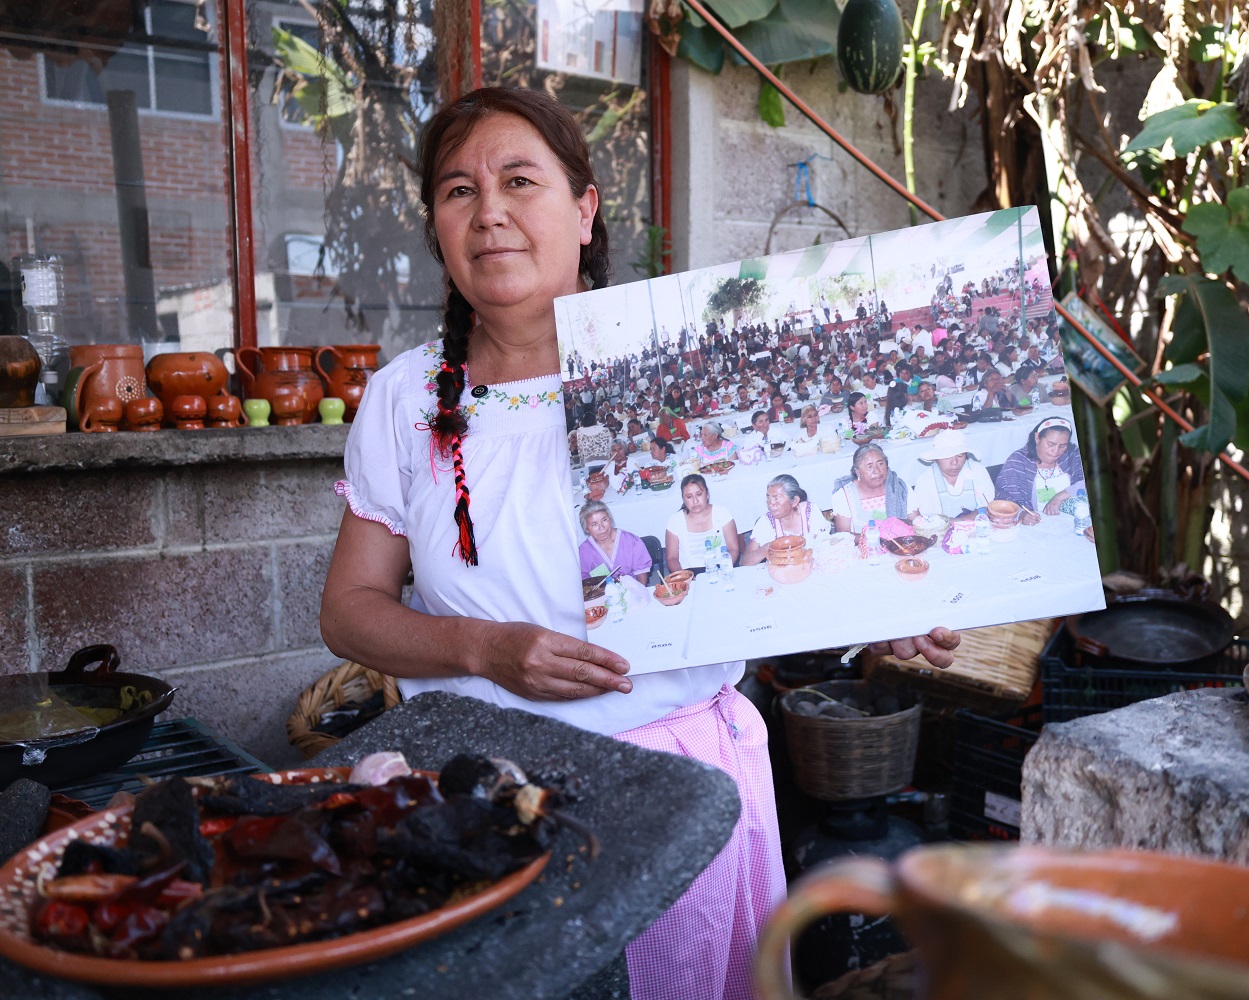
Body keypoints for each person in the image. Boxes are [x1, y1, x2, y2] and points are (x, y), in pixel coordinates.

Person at [320, 87, 957, 1000]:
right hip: (477, 797)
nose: (489, 211)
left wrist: (873, 610)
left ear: (583, 211)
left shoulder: (673, 367)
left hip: (673, 796)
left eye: (518, 180)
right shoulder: (405, 398)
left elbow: (753, 557)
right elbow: (348, 610)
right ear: (436, 225)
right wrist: (485, 650)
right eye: (458, 191)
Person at [994, 416, 1088, 525]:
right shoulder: (1018, 462)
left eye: (1062, 446)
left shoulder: (1071, 455)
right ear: (1037, 437)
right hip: (1037, 524)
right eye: (1050, 444)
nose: (1055, 451)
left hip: (1073, 521)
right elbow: (1004, 498)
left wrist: (1061, 496)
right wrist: (1022, 514)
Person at [740, 474, 830, 565]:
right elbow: (744, 563)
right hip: (781, 573)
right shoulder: (766, 522)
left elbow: (825, 546)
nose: (770, 503)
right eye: (768, 497)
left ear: (794, 501)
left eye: (776, 498)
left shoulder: (810, 512)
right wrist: (767, 547)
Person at [665, 473, 741, 573]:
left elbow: (733, 549)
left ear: (707, 494)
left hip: (721, 568)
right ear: (683, 498)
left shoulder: (722, 514)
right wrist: (686, 577)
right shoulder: (675, 521)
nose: (695, 501)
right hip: (689, 573)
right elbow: (672, 558)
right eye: (689, 497)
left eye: (699, 494)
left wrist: (724, 568)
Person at [911, 429, 995, 518]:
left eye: (960, 456)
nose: (954, 462)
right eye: (947, 457)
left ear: (966, 455)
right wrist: (964, 519)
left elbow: (989, 507)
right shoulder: (926, 480)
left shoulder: (977, 470)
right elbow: (927, 519)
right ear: (936, 458)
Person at [830, 443, 909, 534]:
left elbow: (917, 524)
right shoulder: (843, 495)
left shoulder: (900, 488)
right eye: (869, 466)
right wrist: (878, 540)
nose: (877, 471)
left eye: (880, 464)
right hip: (862, 547)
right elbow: (844, 536)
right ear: (857, 472)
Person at [578, 499, 651, 585]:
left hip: (633, 591)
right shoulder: (583, 552)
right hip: (602, 596)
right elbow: (585, 583)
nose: (601, 527)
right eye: (594, 524)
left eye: (604, 520)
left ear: (610, 520)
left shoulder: (631, 541)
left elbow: (641, 576)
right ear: (586, 529)